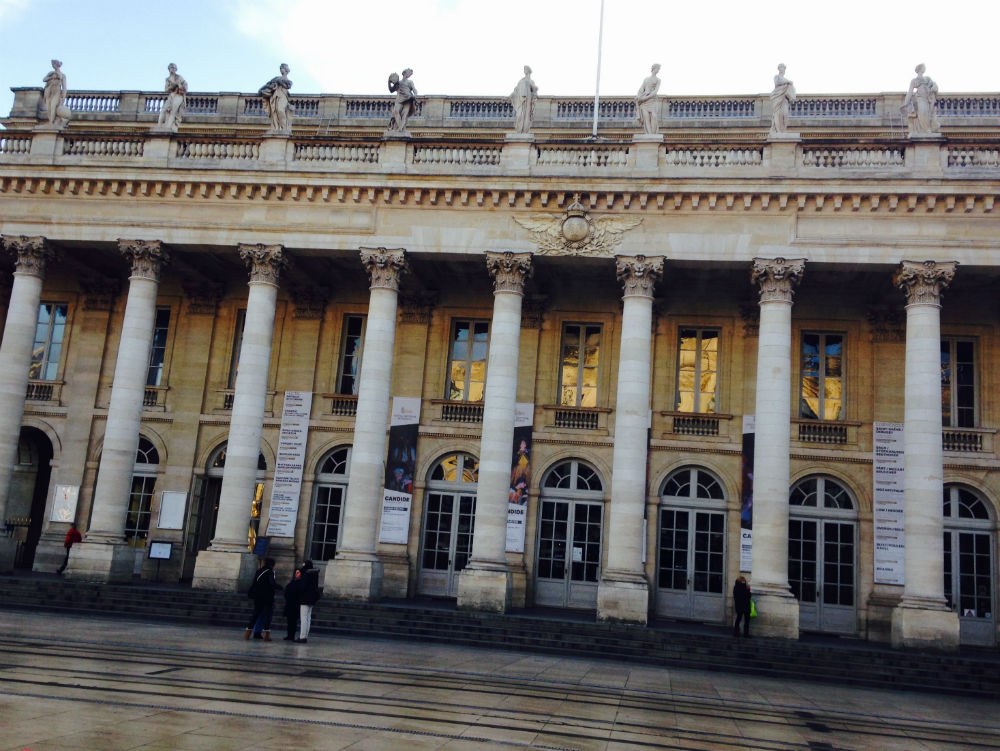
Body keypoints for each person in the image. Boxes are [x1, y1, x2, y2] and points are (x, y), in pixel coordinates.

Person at [245, 557, 281, 641]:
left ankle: (247, 634)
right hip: (267, 597)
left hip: (257, 597)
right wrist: (280, 587)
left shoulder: (259, 571)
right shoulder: (270, 572)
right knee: (267, 616)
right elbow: (272, 583)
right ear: (272, 565)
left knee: (255, 615)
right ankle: (266, 636)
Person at [902, 63, 939, 136]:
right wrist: (905, 104)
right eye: (923, 67)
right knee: (922, 113)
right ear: (919, 69)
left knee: (928, 114)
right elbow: (910, 92)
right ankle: (926, 130)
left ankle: (927, 130)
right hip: (920, 99)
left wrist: (934, 88)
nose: (924, 69)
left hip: (928, 99)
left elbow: (934, 86)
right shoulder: (914, 80)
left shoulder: (927, 78)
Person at [259, 63, 293, 132]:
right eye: (280, 68)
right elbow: (266, 85)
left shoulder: (289, 81)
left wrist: (279, 82)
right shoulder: (275, 78)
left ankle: (284, 128)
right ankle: (277, 127)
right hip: (275, 97)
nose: (281, 69)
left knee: (280, 110)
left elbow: (288, 86)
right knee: (275, 112)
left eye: (282, 68)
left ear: (286, 70)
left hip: (283, 97)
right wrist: (270, 86)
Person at [156, 63, 187, 132]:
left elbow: (185, 86)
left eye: (173, 68)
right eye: (171, 68)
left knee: (173, 111)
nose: (172, 69)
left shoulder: (179, 77)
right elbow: (166, 89)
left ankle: (169, 127)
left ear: (176, 69)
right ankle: (159, 126)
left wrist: (180, 87)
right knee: (164, 110)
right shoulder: (168, 79)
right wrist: (173, 86)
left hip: (179, 95)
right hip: (172, 95)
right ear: (169, 69)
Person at [297, 560, 321, 643]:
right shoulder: (314, 574)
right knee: (308, 617)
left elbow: (303, 586)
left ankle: (302, 637)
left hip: (305, 597)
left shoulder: (306, 574)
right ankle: (305, 635)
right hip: (312, 597)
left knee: (303, 618)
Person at [510, 65, 538, 134]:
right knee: (519, 115)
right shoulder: (521, 80)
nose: (524, 70)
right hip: (520, 100)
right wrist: (509, 96)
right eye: (524, 69)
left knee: (526, 116)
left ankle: (525, 130)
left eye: (525, 69)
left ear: (528, 71)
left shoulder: (531, 81)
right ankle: (520, 130)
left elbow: (534, 90)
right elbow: (516, 90)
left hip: (528, 98)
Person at [769, 63, 796, 135]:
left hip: (784, 99)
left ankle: (783, 130)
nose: (782, 69)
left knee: (785, 114)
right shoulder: (777, 77)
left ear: (784, 69)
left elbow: (791, 92)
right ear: (778, 69)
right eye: (780, 67)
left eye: (783, 68)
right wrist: (788, 82)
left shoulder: (787, 81)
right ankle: (778, 130)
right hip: (777, 98)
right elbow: (777, 82)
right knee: (778, 114)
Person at [636, 63, 661, 135]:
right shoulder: (646, 79)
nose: (658, 70)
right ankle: (649, 135)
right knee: (646, 119)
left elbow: (655, 91)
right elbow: (641, 89)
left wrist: (645, 98)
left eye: (659, 69)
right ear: (653, 68)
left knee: (654, 116)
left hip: (652, 100)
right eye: (657, 69)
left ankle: (653, 134)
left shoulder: (658, 80)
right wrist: (639, 97)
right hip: (644, 102)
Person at [42, 59, 68, 128]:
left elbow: (64, 87)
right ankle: (50, 121)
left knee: (53, 106)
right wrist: (51, 77)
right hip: (48, 91)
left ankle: (51, 123)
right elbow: (44, 79)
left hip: (57, 91)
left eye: (54, 64)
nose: (54, 66)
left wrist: (63, 96)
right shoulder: (51, 73)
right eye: (53, 65)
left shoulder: (62, 75)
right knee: (48, 107)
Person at [282, 568, 304, 641]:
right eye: (296, 572)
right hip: (290, 603)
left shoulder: (301, 582)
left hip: (295, 604)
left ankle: (291, 635)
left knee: (293, 622)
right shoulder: (293, 582)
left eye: (298, 573)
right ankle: (289, 635)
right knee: (289, 621)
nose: (296, 574)